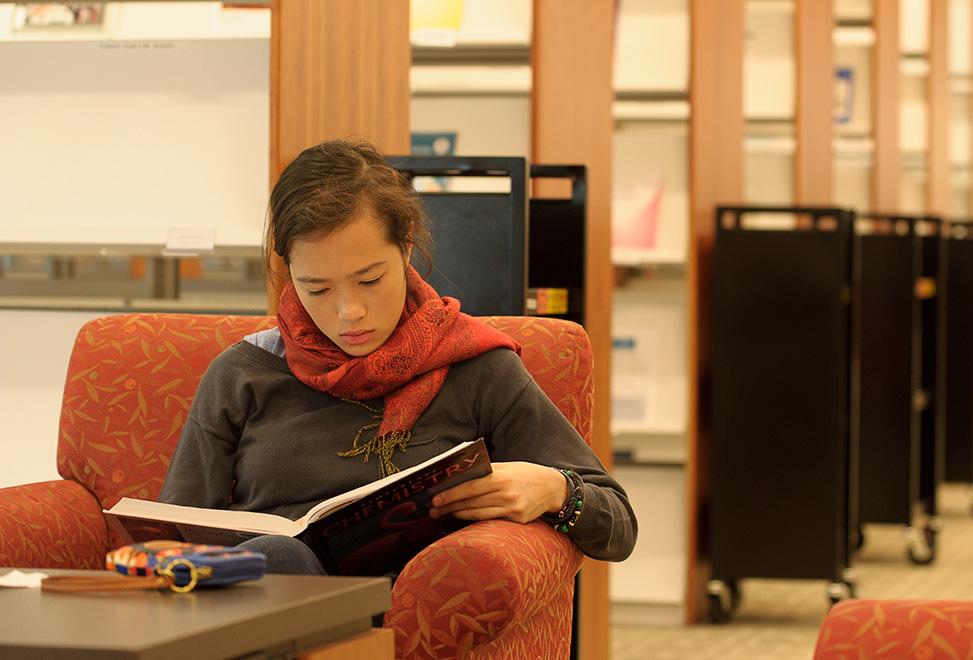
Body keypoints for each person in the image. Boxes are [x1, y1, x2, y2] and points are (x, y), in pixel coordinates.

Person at [159, 139, 637, 575]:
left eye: (369, 280)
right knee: (278, 559)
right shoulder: (243, 373)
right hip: (255, 607)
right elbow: (171, 534)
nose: (349, 312)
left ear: (406, 245)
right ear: (289, 272)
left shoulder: (476, 368)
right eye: (317, 288)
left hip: (403, 614)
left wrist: (554, 489)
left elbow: (617, 525)